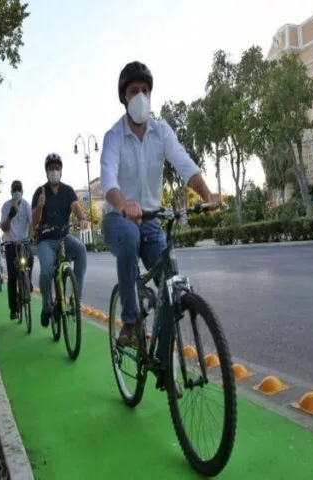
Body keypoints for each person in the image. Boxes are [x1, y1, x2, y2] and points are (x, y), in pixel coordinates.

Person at [100, 61, 218, 386]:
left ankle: (163, 361)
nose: (140, 96)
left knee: (172, 284)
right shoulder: (113, 137)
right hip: (118, 219)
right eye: (133, 91)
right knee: (126, 235)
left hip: (152, 220)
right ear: (123, 98)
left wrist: (207, 194)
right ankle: (129, 322)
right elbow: (108, 179)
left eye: (145, 90)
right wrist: (123, 205)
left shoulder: (161, 130)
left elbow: (183, 162)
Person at [31, 153, 89, 327]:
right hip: (46, 240)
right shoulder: (40, 192)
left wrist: (82, 218)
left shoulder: (68, 190)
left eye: (57, 168)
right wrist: (40, 206)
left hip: (64, 237)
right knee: (47, 270)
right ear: (46, 171)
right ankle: (46, 305)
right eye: (51, 168)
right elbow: (34, 222)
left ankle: (75, 299)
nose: (54, 171)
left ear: (61, 170)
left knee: (81, 250)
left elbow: (76, 207)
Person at [0, 180, 34, 320]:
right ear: (11, 192)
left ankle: (28, 281)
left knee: (30, 258)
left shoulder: (26, 205)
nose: (17, 191)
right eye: (15, 189)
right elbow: (4, 227)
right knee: (12, 276)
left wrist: (33, 235)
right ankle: (14, 309)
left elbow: (32, 223)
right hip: (11, 244)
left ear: (23, 191)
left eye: (19, 189)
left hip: (24, 242)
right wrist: (10, 216)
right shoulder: (6, 206)